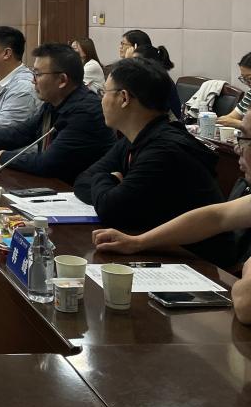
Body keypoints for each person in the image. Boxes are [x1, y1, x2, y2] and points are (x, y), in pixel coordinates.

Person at [94, 87, 251, 329]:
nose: (237, 148)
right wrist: (137, 242)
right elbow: (218, 216)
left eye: (245, 139)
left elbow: (249, 305)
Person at [75, 57, 234, 268]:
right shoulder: (136, 137)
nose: (101, 100)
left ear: (124, 98)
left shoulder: (164, 150)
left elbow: (110, 210)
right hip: (161, 250)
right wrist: (110, 183)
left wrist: (107, 179)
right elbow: (82, 182)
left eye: (104, 93)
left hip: (198, 264)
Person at [0, 43, 114, 183]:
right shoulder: (54, 103)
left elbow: (49, 162)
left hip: (77, 193)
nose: (33, 80)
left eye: (38, 74)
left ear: (62, 80)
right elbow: (21, 132)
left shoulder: (86, 112)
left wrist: (4, 156)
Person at [132, 43, 183, 120]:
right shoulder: (147, 79)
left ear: (150, 63)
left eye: (136, 61)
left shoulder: (158, 81)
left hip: (169, 123)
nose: (132, 65)